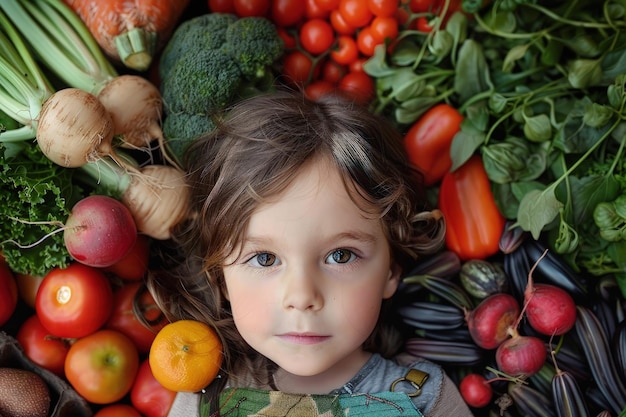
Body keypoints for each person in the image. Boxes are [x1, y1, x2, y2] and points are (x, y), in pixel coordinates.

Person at [147, 90, 474, 417]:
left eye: (341, 256)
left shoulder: (424, 397)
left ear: (391, 271)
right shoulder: (206, 399)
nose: (302, 296)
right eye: (265, 258)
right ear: (220, 278)